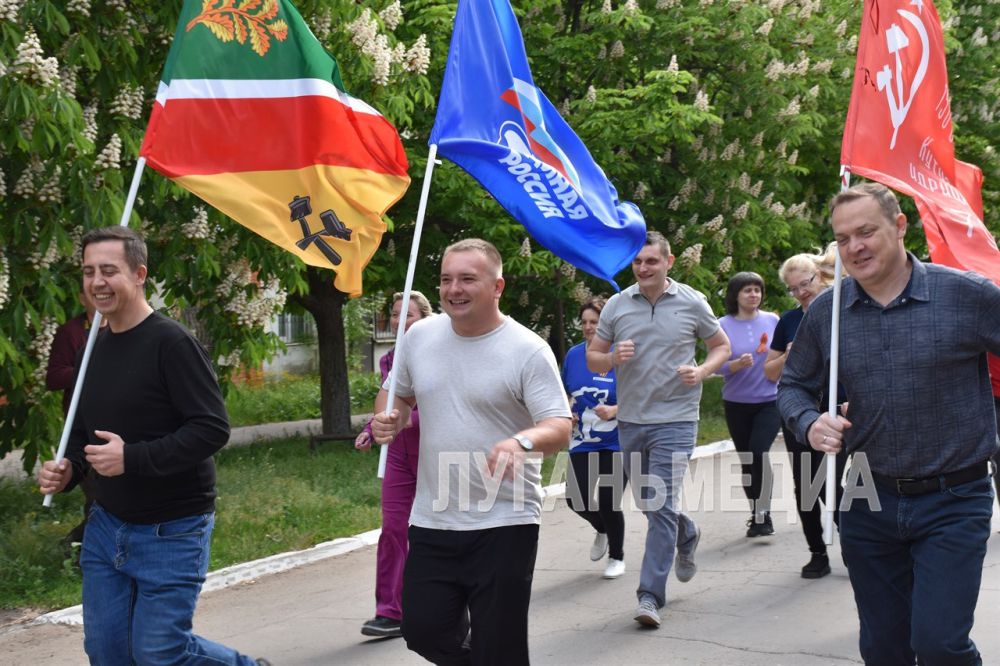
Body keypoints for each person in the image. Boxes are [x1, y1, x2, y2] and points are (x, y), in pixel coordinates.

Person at [777, 183, 1000, 665]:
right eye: (843, 239)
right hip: (867, 498)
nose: (854, 247)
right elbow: (792, 385)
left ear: (899, 227)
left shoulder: (967, 295)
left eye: (866, 232)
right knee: (883, 648)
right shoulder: (827, 312)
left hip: (954, 499)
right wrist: (809, 422)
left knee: (939, 644)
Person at [37, 227, 264, 666]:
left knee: (161, 653)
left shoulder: (171, 343)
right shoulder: (90, 351)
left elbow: (211, 428)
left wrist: (132, 457)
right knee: (108, 654)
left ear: (139, 274)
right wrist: (68, 470)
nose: (97, 282)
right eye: (88, 271)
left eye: (109, 270)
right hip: (107, 524)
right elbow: (84, 436)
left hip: (173, 528)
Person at [371, 238, 571, 665]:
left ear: (497, 287)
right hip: (434, 516)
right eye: (446, 280)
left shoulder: (527, 350)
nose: (453, 289)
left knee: (499, 645)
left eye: (467, 279)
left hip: (506, 519)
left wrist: (521, 441)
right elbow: (396, 394)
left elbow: (560, 425)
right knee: (423, 631)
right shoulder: (420, 336)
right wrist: (389, 417)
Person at [587, 231, 731, 628]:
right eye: (638, 262)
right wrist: (611, 357)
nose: (644, 268)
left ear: (669, 262)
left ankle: (649, 595)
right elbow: (594, 357)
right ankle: (687, 532)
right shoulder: (617, 305)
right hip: (632, 419)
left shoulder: (692, 301)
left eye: (651, 260)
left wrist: (702, 371)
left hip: (677, 418)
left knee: (660, 504)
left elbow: (721, 346)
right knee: (651, 503)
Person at [764, 246, 847, 579]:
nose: (800, 292)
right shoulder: (788, 321)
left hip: (840, 412)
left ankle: (856, 545)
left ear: (820, 276)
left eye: (805, 283)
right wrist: (788, 356)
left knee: (835, 484)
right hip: (800, 413)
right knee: (806, 487)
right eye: (793, 288)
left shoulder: (842, 310)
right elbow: (770, 372)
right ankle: (817, 552)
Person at [355, 290, 434, 638]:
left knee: (437, 531)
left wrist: (402, 420)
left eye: (408, 315)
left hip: (434, 451)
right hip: (399, 455)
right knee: (393, 529)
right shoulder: (390, 359)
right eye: (395, 314)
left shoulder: (440, 351)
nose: (399, 320)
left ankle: (442, 603)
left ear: (425, 319)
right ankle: (390, 611)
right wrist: (371, 429)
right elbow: (390, 404)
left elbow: (439, 407)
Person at [561, 297, 627, 579]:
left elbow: (641, 395)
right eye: (585, 322)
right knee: (576, 499)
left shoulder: (621, 355)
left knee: (609, 499)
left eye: (595, 323)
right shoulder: (574, 355)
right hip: (582, 440)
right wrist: (566, 411)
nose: (588, 327)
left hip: (618, 440)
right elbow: (564, 391)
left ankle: (617, 556)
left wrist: (615, 410)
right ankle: (602, 527)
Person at [715, 272, 780, 537]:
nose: (753, 294)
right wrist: (735, 365)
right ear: (735, 295)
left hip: (770, 400)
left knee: (758, 452)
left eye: (757, 289)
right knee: (747, 460)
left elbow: (783, 354)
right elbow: (715, 366)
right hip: (737, 403)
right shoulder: (722, 325)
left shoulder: (772, 320)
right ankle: (756, 515)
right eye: (747, 290)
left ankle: (765, 514)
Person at [46, 290, 105, 547]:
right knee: (96, 495)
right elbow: (54, 377)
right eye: (92, 293)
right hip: (84, 426)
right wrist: (91, 370)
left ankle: (84, 546)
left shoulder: (121, 329)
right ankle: (79, 547)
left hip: (117, 426)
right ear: (82, 299)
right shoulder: (71, 332)